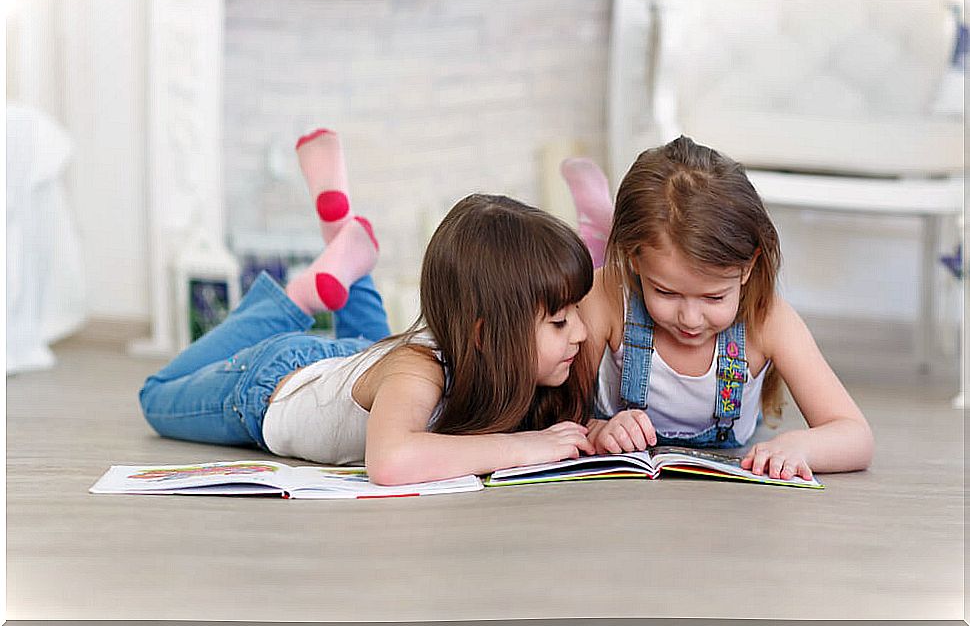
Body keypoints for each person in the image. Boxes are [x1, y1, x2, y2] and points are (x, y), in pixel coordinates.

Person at [139, 129, 596, 486]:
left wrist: (601, 431)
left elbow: (562, 431)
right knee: (157, 395)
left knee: (377, 351)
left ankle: (346, 240)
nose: (580, 332)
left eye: (575, 311)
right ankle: (300, 298)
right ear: (483, 333)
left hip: (359, 365)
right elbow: (391, 461)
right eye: (559, 321)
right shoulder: (416, 371)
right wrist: (523, 448)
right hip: (270, 384)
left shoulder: (487, 363)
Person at [560, 135, 874, 481]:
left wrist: (800, 446)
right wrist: (595, 429)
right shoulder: (608, 295)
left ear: (748, 268)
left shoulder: (767, 318)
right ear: (635, 259)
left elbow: (855, 435)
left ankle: (600, 226)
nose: (690, 319)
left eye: (714, 298)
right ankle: (599, 234)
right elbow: (555, 415)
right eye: (666, 292)